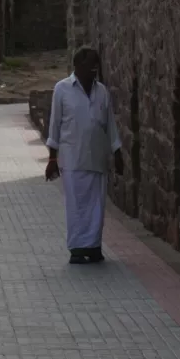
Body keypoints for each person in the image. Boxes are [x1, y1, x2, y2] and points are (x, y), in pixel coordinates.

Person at [45, 45, 123, 263]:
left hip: (97, 158)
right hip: (73, 159)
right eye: (90, 66)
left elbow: (111, 126)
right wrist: (52, 158)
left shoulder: (102, 92)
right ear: (77, 66)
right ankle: (77, 248)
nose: (94, 70)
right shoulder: (62, 89)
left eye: (96, 66)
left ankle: (94, 246)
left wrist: (117, 152)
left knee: (97, 205)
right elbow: (55, 126)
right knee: (77, 205)